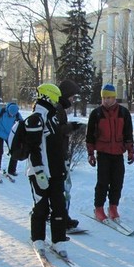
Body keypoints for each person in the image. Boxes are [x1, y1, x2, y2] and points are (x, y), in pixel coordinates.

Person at [27, 83, 69, 257]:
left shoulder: (52, 117)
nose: (57, 101)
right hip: (41, 173)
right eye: (55, 98)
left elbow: (56, 144)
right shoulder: (36, 118)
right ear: (47, 96)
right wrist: (38, 170)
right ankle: (38, 239)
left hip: (57, 172)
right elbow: (33, 147)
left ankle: (58, 241)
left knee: (59, 208)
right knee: (41, 207)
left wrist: (64, 164)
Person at [86, 84, 134, 221]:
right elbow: (90, 136)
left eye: (109, 97)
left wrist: (130, 151)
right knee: (102, 182)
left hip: (118, 153)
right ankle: (99, 208)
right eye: (103, 97)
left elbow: (128, 134)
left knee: (117, 181)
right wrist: (90, 153)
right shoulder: (96, 114)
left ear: (114, 98)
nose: (106, 100)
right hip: (103, 153)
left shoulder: (123, 113)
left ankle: (113, 207)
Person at [56, 79, 84, 233]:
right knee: (62, 189)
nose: (73, 100)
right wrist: (71, 127)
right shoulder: (58, 108)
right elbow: (56, 131)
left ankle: (62, 216)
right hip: (58, 156)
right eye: (72, 96)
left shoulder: (60, 108)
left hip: (61, 154)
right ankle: (62, 218)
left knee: (63, 189)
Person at [0, 102, 23, 179]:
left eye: (13, 115)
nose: (12, 116)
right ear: (7, 110)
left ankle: (12, 170)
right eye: (10, 114)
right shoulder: (1, 111)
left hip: (10, 135)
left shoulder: (17, 114)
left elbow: (22, 124)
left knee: (15, 151)